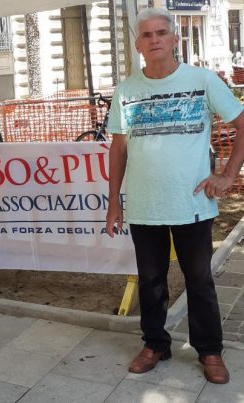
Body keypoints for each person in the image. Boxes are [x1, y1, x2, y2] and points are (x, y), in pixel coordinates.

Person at [105, 8, 244, 384]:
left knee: (199, 280)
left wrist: (228, 174)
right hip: (145, 204)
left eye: (161, 33)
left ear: (175, 38)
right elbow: (118, 150)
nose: (154, 40)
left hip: (192, 203)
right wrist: (113, 203)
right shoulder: (126, 89)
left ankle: (210, 351)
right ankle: (155, 344)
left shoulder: (202, 80)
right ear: (138, 44)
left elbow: (241, 124)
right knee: (150, 280)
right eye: (147, 35)